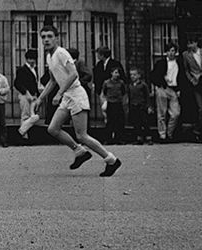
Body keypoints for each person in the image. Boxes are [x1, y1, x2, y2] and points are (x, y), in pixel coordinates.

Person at [27, 24, 121, 177]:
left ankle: (111, 160)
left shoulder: (61, 53)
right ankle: (80, 152)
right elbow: (52, 80)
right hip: (67, 97)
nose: (46, 40)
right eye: (43, 37)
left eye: (50, 36)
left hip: (76, 95)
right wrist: (40, 99)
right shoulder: (49, 57)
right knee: (53, 129)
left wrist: (59, 93)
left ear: (57, 38)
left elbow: (73, 74)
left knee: (82, 135)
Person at [150, 42, 183, 142]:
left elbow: (182, 77)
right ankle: (162, 135)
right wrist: (161, 83)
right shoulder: (161, 63)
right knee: (161, 113)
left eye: (173, 51)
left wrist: (179, 89)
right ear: (166, 52)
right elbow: (153, 76)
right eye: (169, 51)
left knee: (176, 113)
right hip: (163, 88)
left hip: (174, 89)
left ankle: (169, 133)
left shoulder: (179, 63)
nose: (171, 53)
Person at [13, 50, 40, 142]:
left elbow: (35, 84)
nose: (32, 61)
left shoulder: (34, 69)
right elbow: (17, 83)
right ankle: (24, 136)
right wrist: (26, 92)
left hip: (33, 96)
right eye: (30, 59)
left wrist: (37, 94)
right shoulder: (22, 69)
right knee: (25, 115)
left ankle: (22, 132)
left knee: (33, 116)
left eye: (33, 59)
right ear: (27, 59)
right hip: (25, 95)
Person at [126, 68, 151, 145]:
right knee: (136, 123)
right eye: (131, 75)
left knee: (145, 122)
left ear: (139, 75)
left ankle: (148, 137)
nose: (132, 76)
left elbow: (147, 96)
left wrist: (148, 106)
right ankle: (139, 138)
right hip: (134, 106)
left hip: (142, 106)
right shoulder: (130, 86)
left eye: (134, 74)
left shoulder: (143, 85)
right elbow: (129, 97)